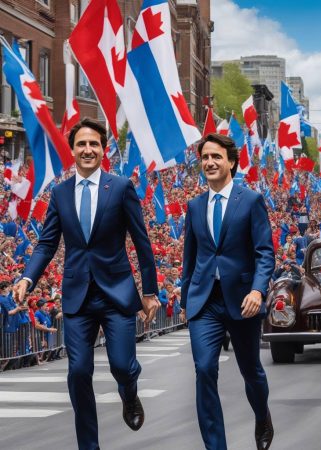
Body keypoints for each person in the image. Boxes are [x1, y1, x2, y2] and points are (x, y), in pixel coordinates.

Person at [13, 118, 160, 450]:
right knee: (78, 372)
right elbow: (47, 243)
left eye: (94, 144)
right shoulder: (61, 193)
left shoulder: (121, 187)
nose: (88, 149)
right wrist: (27, 277)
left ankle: (129, 391)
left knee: (123, 366)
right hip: (77, 297)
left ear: (103, 149)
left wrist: (149, 292)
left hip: (117, 294)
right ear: (73, 149)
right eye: (82, 144)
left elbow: (142, 242)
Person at [180, 133, 275, 450]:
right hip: (204, 302)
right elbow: (189, 259)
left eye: (216, 156)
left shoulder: (250, 200)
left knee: (252, 372)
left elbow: (265, 253)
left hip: (243, 301)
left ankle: (262, 415)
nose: (209, 162)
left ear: (231, 162)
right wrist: (185, 299)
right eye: (205, 157)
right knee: (205, 369)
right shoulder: (194, 207)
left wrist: (258, 291)